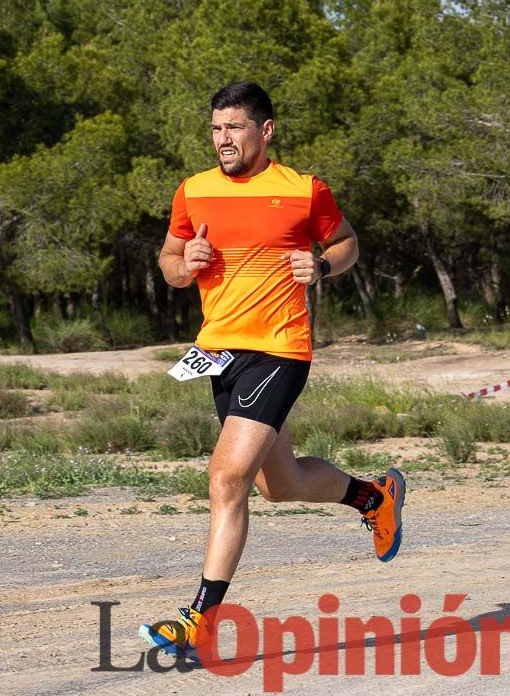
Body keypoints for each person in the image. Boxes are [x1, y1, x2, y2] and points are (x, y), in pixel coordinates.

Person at [141, 81, 406, 659]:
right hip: (219, 350)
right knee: (276, 484)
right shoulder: (194, 190)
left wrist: (321, 264)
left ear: (265, 130)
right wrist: (183, 264)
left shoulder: (303, 190)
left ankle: (200, 621)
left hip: (280, 348)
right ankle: (374, 497)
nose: (222, 140)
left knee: (226, 479)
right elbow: (168, 263)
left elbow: (346, 243)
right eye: (215, 129)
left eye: (234, 128)